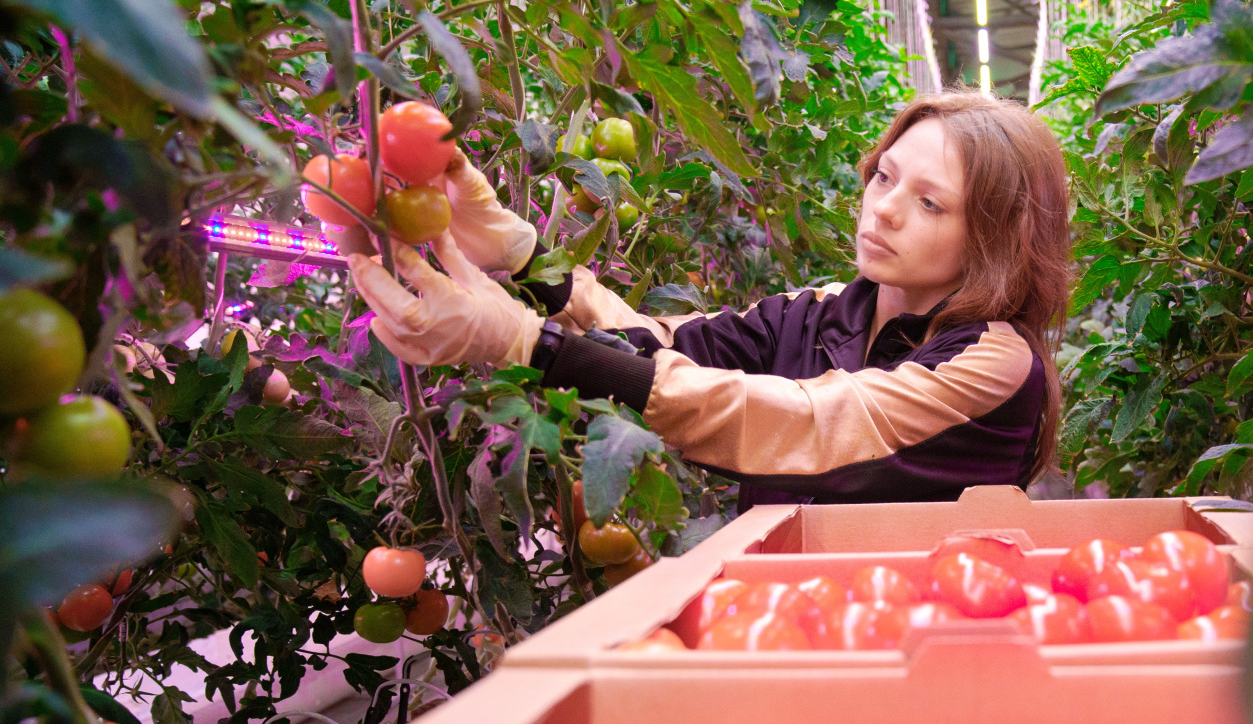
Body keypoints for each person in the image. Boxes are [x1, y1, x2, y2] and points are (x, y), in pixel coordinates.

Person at [345, 93, 1072, 507]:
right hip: (787, 617)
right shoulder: (823, 311)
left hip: (920, 638)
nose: (882, 210)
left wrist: (531, 345)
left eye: (930, 203)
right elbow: (659, 350)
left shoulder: (994, 362)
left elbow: (807, 425)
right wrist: (522, 253)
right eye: (884, 177)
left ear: (994, 239)